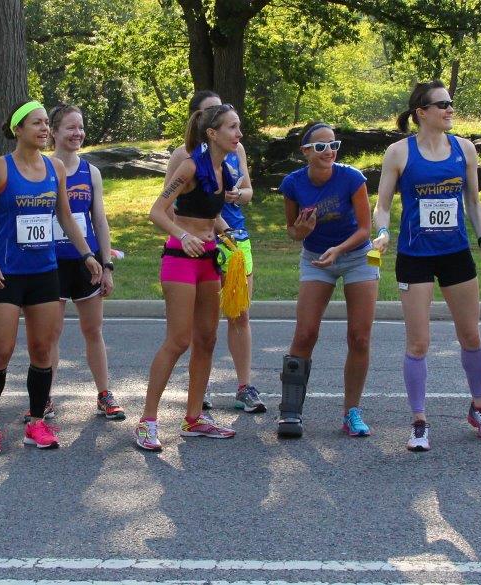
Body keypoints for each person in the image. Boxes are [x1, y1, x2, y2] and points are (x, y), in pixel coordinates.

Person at [373, 80, 481, 452]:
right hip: (414, 256)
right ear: (422, 112)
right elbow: (382, 204)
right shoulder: (399, 152)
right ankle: (418, 420)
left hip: (455, 254)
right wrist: (382, 233)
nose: (450, 109)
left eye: (451, 103)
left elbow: (474, 203)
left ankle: (479, 407)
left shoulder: (464, 149)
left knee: (471, 336)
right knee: (418, 342)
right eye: (443, 104)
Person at [0, 100, 101, 455]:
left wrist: (87, 254)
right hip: (6, 273)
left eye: (47, 123)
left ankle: (36, 422)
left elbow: (65, 215)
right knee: (1, 351)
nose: (44, 129)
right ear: (18, 129)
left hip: (45, 272)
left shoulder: (54, 168)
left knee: (42, 350)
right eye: (37, 124)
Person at [134, 104, 242, 452]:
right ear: (212, 134)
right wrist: (183, 236)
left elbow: (210, 216)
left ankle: (194, 418)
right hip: (181, 260)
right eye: (232, 128)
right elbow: (157, 211)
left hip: (209, 260)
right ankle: (147, 421)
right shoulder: (190, 166)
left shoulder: (224, 169)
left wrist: (227, 237)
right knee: (179, 340)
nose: (239, 135)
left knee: (207, 339)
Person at [277, 122, 378, 438]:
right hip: (316, 259)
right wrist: (301, 232)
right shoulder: (293, 184)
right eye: (321, 147)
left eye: (334, 145)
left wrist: (339, 249)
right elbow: (292, 231)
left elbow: (365, 229)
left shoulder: (351, 177)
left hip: (357, 255)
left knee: (359, 337)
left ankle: (352, 413)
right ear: (306, 151)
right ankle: (291, 412)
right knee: (306, 333)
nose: (329, 152)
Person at [165, 90, 261, 413]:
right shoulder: (186, 157)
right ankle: (197, 393)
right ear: (205, 125)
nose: (236, 132)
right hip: (197, 245)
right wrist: (179, 238)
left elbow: (248, 191)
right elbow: (166, 208)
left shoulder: (236, 151)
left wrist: (237, 195)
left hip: (234, 238)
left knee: (239, 312)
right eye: (215, 114)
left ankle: (244, 387)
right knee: (198, 326)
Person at [46, 104, 124, 421]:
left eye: (80, 128)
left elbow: (100, 221)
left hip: (86, 263)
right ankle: (43, 397)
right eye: (70, 128)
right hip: (50, 264)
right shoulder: (42, 168)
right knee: (49, 335)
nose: (77, 133)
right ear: (53, 132)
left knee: (93, 330)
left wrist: (107, 265)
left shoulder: (90, 171)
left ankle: (104, 394)